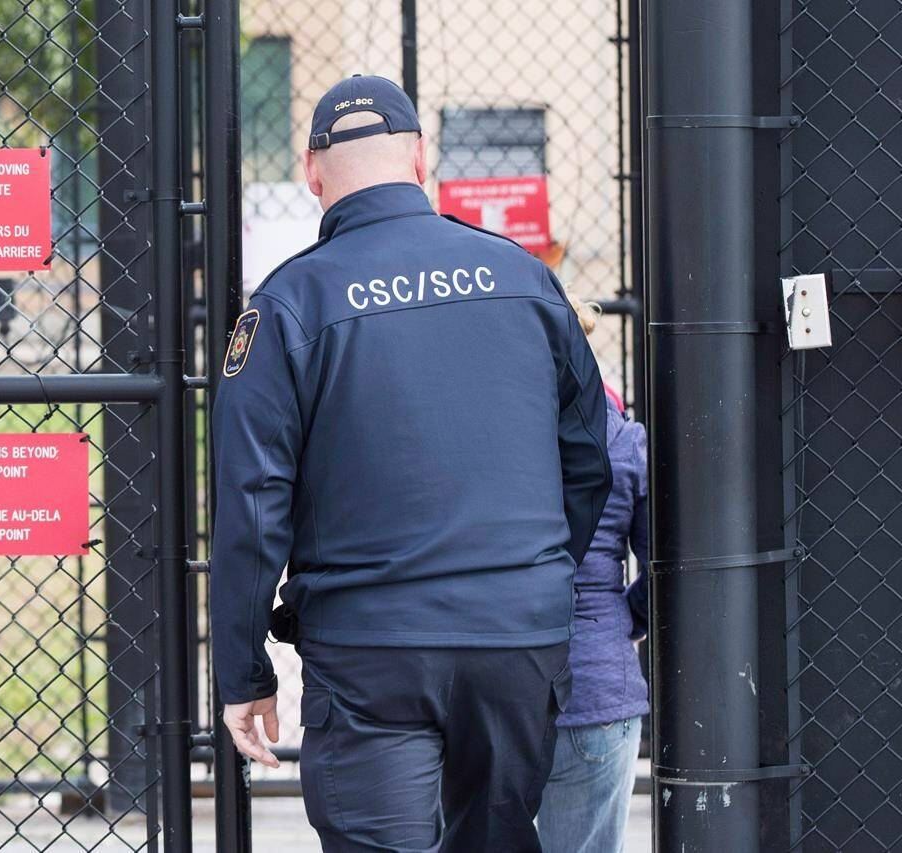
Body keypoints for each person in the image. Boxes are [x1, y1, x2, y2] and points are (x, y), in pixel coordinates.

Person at [210, 74, 612, 852]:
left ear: (312, 172)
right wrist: (528, 575)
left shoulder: (290, 302)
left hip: (372, 648)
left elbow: (253, 502)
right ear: (421, 159)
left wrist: (242, 670)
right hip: (515, 638)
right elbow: (588, 457)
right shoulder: (524, 278)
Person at [537, 300, 650, 853]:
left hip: (495, 683)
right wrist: (623, 618)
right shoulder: (624, 439)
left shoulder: (494, 436)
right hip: (598, 685)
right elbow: (663, 568)